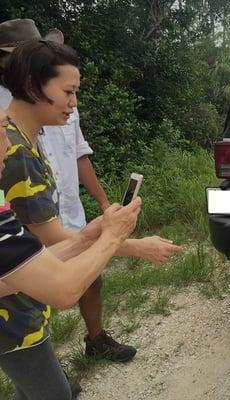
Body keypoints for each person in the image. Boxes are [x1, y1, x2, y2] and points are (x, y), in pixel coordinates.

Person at [0, 19, 179, 363]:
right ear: (31, 82)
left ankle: (93, 340)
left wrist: (98, 225)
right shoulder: (16, 150)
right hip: (18, 309)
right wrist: (129, 244)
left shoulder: (32, 134)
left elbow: (80, 155)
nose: (73, 102)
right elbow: (54, 263)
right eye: (68, 92)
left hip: (38, 273)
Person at [0, 103, 143, 399]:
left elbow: (19, 272)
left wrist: (84, 239)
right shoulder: (21, 156)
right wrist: (113, 237)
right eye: (2, 131)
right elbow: (63, 290)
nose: (8, 143)